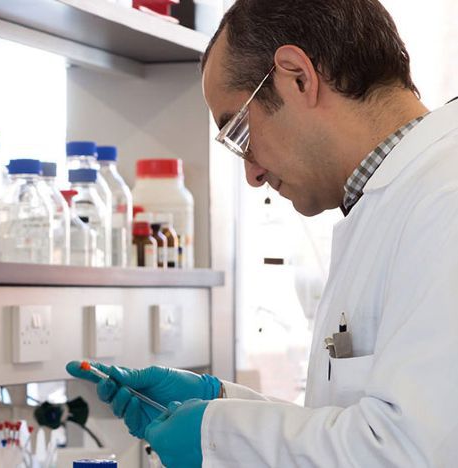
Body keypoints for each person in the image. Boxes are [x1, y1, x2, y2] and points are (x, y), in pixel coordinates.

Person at [67, 0, 458, 466]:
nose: (251, 174)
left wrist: (216, 435)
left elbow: (411, 452)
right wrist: (221, 403)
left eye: (238, 131)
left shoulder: (445, 194)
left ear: (297, 76)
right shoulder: (386, 201)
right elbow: (359, 427)